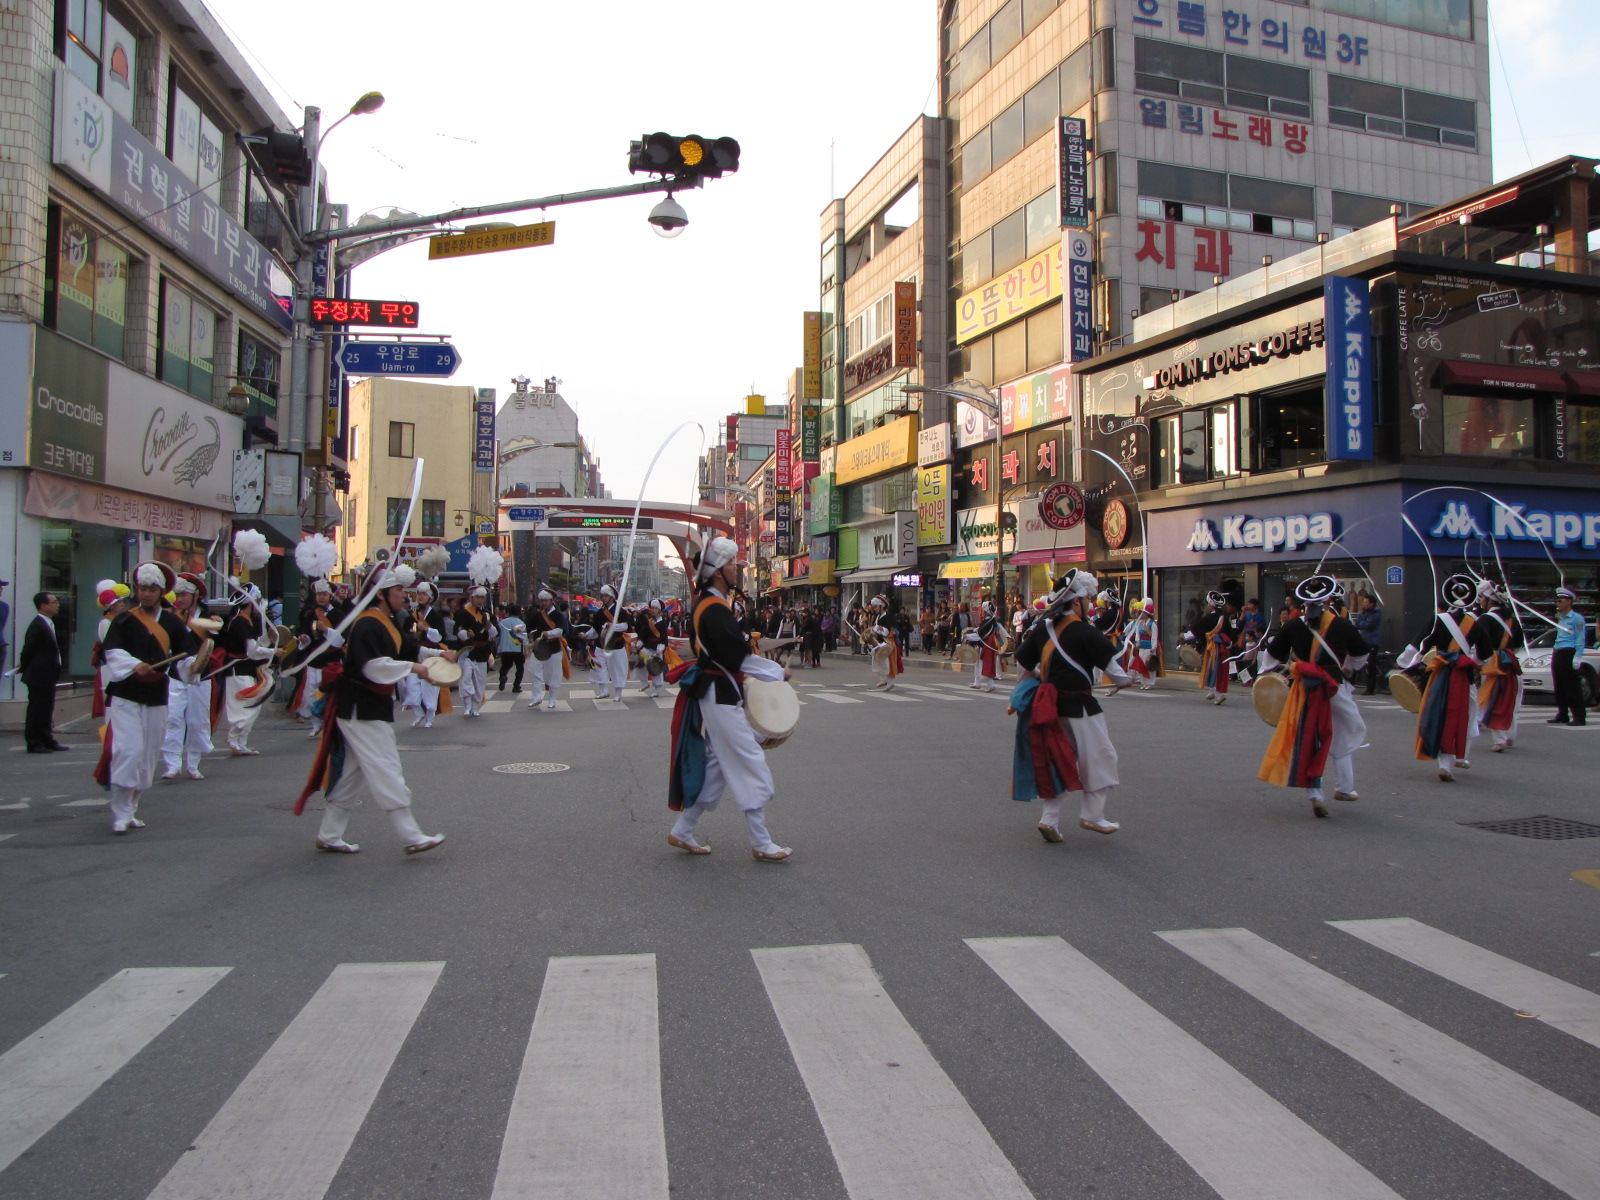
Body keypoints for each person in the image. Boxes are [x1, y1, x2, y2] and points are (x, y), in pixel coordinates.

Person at [297, 565, 451, 855]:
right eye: (398, 591)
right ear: (381, 595)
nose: (404, 597)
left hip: (368, 706)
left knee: (353, 773)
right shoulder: (367, 624)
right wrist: (414, 668)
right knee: (385, 764)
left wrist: (438, 653)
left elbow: (408, 648)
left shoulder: (387, 621)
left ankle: (329, 833)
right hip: (360, 706)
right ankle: (410, 835)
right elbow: (373, 666)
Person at [666, 537, 792, 861]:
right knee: (749, 759)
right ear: (719, 571)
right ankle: (761, 842)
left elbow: (731, 653)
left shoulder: (713, 604)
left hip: (719, 691)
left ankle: (682, 829)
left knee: (720, 765)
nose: (736, 568)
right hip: (719, 692)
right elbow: (735, 656)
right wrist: (776, 672)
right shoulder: (712, 608)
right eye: (732, 564)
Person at [1011, 570, 1132, 842]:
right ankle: (1092, 815)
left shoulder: (1044, 627)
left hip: (1050, 706)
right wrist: (1125, 681)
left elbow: (1022, 662)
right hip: (1080, 705)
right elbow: (1113, 668)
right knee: (1101, 757)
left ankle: (1049, 820)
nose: (1090, 602)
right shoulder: (1084, 630)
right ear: (1077, 601)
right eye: (1088, 598)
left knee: (1061, 760)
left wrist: (1032, 682)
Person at [94, 562, 199, 834]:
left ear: (161, 591)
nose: (147, 594)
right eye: (142, 588)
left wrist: (192, 666)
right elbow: (112, 651)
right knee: (128, 751)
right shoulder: (124, 619)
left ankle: (132, 808)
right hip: (127, 694)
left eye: (152, 589)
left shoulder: (173, 622)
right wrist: (133, 665)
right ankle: (119, 811)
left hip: (156, 694)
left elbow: (185, 657)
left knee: (148, 754)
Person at [1257, 577, 1369, 818]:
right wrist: (1347, 666)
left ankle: (1315, 795)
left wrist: (1264, 675)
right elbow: (1360, 656)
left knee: (1309, 739)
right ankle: (1345, 788)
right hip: (1334, 687)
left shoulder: (1293, 626)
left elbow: (1272, 656)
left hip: (1304, 690)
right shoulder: (1343, 625)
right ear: (1328, 599)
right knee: (1344, 734)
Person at [1414, 575, 1495, 781]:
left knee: (1437, 713)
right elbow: (1485, 655)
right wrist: (1470, 660)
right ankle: (1458, 757)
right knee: (1463, 714)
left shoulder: (1437, 620)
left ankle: (1444, 762)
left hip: (1439, 674)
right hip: (1463, 676)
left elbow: (1419, 645)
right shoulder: (1475, 624)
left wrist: (1408, 664)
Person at [161, 573, 214, 779]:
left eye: (184, 594)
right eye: (178, 594)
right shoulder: (172, 618)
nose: (180, 598)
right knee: (173, 717)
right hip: (176, 673)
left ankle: (193, 763)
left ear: (195, 595)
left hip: (201, 673)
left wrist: (217, 627)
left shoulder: (210, 616)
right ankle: (172, 763)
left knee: (197, 719)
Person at [216, 585, 274, 756]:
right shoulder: (240, 621)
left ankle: (242, 742)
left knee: (251, 706)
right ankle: (234, 739)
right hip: (237, 670)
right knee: (243, 707)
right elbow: (251, 650)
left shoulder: (247, 620)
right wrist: (273, 651)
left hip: (246, 669)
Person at [1475, 580, 1524, 751]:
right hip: (1511, 662)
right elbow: (1518, 643)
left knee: (1494, 699)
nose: (1480, 601)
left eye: (1482, 597)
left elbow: (1479, 645)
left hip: (1494, 664)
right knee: (1512, 699)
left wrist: (1478, 662)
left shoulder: (1485, 620)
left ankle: (1500, 739)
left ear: (1490, 600)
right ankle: (1510, 735)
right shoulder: (1512, 620)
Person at [292, 580, 342, 736]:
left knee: (329, 692)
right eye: (319, 594)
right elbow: (306, 633)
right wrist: (304, 638)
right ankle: (315, 724)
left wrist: (326, 630)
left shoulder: (337, 614)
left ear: (330, 596)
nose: (321, 597)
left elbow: (342, 639)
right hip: (314, 658)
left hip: (331, 659)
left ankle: (331, 723)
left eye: (324, 594)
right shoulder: (310, 613)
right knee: (312, 692)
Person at [19, 591, 65, 753]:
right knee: (37, 709)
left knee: (46, 708)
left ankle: (47, 739)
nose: (57, 604)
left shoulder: (48, 623)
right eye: (53, 601)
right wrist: (24, 666)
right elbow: (28, 649)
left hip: (48, 674)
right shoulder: (37, 625)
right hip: (38, 675)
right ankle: (34, 741)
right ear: (43, 606)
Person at [452, 586, 497, 716]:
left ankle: (475, 706)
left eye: (482, 597)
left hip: (482, 652)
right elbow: (457, 630)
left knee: (480, 681)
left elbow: (495, 633)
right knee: (465, 679)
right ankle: (467, 705)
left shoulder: (487, 614)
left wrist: (488, 625)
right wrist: (466, 634)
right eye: (477, 597)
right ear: (472, 598)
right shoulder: (462, 613)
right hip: (467, 651)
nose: (480, 600)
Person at [1188, 590, 1238, 705]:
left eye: (1208, 603)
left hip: (1214, 648)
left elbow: (1197, 630)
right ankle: (1212, 691)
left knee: (1216, 670)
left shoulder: (1209, 619)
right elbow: (1231, 635)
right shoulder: (1224, 618)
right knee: (1214, 669)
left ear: (1212, 605)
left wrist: (1185, 636)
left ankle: (1220, 694)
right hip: (1222, 649)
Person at [1549, 585, 1588, 726]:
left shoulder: (1576, 619)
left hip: (1568, 652)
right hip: (1558, 651)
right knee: (1559, 686)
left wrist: (1577, 656)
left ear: (1569, 601)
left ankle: (1579, 716)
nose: (1558, 602)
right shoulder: (1561, 618)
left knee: (1572, 686)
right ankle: (1562, 713)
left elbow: (1580, 638)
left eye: (1561, 600)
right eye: (1557, 600)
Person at [526, 589, 570, 710]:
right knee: (534, 671)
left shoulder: (558, 615)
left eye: (546, 600)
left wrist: (548, 633)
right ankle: (536, 697)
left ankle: (552, 699)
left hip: (554, 648)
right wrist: (523, 631)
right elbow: (529, 627)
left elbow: (561, 631)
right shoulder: (537, 614)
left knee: (553, 674)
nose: (544, 603)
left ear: (552, 601)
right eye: (542, 601)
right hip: (539, 647)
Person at [867, 595, 902, 691]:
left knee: (888, 663)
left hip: (888, 642)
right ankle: (883, 679)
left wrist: (878, 629)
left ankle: (890, 682)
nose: (874, 608)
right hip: (880, 642)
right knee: (877, 660)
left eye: (876, 606)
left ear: (881, 606)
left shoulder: (888, 616)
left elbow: (888, 631)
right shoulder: (878, 616)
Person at [967, 600, 1003, 692]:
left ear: (986, 611)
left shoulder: (987, 622)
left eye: (983, 610)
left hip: (987, 644)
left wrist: (967, 636)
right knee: (979, 663)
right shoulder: (991, 620)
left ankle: (991, 684)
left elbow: (979, 635)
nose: (982, 612)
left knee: (985, 664)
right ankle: (977, 682)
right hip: (987, 643)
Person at [636, 599, 669, 697]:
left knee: (656, 669)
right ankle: (644, 682)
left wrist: (660, 649)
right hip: (647, 647)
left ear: (659, 610)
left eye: (655, 608)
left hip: (657, 649)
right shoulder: (649, 622)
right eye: (652, 608)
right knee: (640, 663)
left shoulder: (662, 623)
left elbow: (663, 638)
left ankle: (657, 689)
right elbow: (643, 634)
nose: (653, 610)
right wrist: (639, 643)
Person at [1352, 593, 1383, 694]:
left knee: (1370, 665)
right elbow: (1357, 623)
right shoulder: (1363, 613)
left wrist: (1362, 624)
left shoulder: (1376, 613)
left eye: (1366, 602)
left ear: (1372, 604)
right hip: (1362, 641)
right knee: (1356, 662)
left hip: (1372, 642)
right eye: (1364, 602)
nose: (1364, 604)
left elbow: (1370, 625)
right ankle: (1350, 685)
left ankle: (1370, 689)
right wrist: (1362, 624)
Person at [496, 603, 527, 693]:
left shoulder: (502, 622)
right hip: (517, 649)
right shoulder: (522, 623)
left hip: (505, 649)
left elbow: (498, 636)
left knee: (505, 665)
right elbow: (524, 638)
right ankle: (516, 686)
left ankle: (503, 676)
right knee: (520, 667)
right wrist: (526, 649)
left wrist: (498, 648)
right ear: (519, 613)